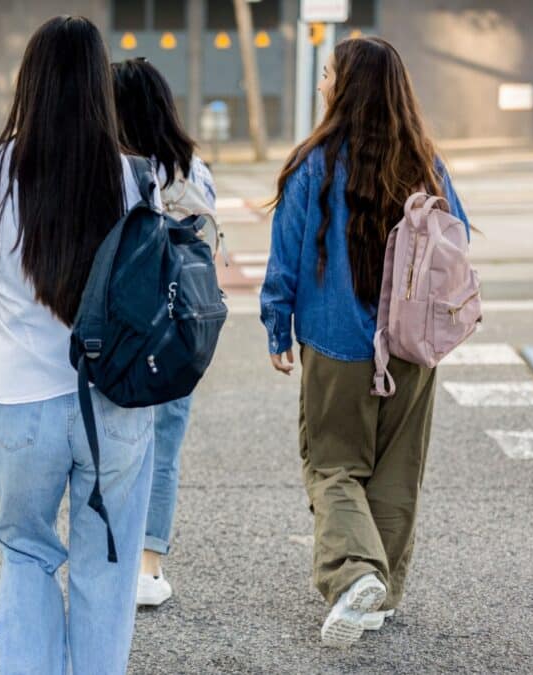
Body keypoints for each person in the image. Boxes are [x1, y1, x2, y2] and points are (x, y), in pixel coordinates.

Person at [0, 16, 158, 674]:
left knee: (27, 552)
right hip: (115, 400)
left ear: (29, 83)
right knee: (107, 564)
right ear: (101, 87)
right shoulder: (133, 178)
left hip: (21, 399)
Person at [261, 36, 469, 648]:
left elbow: (286, 258)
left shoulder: (314, 163)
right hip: (413, 345)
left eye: (328, 74)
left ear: (346, 86)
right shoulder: (426, 162)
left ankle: (354, 576)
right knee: (397, 472)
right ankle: (380, 595)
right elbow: (457, 251)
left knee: (332, 466)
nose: (323, 82)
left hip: (338, 342)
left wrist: (278, 325)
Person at [111, 57, 217, 609]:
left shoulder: (109, 168)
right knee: (164, 447)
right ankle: (148, 569)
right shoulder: (192, 168)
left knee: (107, 444)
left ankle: (111, 557)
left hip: (123, 332)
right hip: (180, 332)